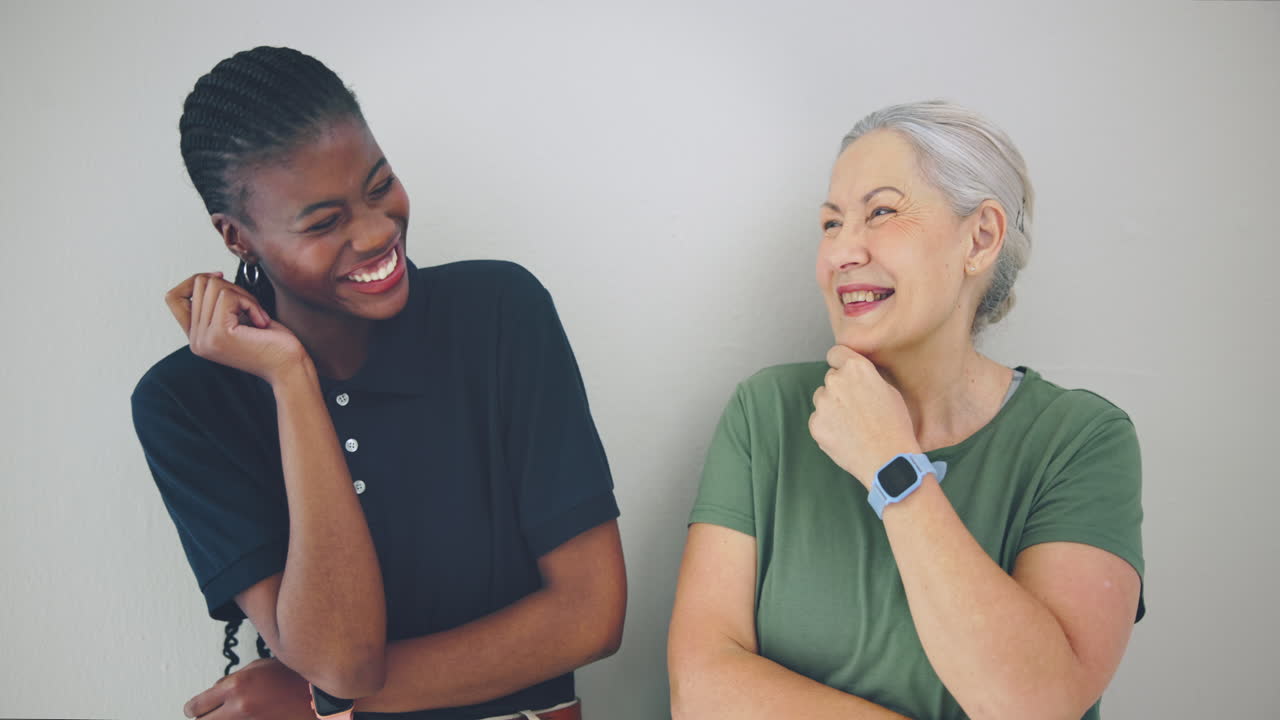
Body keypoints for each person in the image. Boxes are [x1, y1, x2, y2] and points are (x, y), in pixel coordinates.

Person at [131, 46, 625, 720]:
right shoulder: (186, 403)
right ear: (237, 238)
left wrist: (319, 703)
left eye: (379, 184)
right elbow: (342, 656)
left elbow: (590, 616)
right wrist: (291, 379)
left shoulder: (502, 314)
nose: (377, 231)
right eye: (325, 222)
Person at [668, 100, 1143, 720]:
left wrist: (894, 467)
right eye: (831, 223)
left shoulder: (1081, 441)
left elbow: (1036, 705)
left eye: (882, 212)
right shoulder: (768, 414)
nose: (842, 252)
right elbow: (700, 686)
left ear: (981, 238)